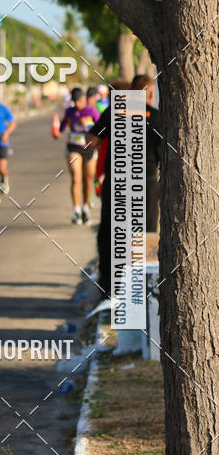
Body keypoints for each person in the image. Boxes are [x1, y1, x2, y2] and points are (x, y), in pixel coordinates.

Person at [87, 75, 162, 297]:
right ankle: (142, 292)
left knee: (111, 234)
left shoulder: (114, 111)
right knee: (145, 236)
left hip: (117, 184)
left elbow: (91, 140)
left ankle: (110, 289)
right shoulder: (155, 117)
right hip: (145, 185)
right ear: (148, 93)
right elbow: (163, 155)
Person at [54, 86, 100, 224]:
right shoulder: (70, 112)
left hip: (89, 148)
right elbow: (62, 126)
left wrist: (88, 125)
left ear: (84, 99)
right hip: (74, 147)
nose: (80, 104)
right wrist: (58, 133)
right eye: (77, 102)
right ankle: (76, 210)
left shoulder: (92, 111)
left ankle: (85, 207)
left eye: (81, 101)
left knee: (88, 179)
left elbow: (101, 128)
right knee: (76, 177)